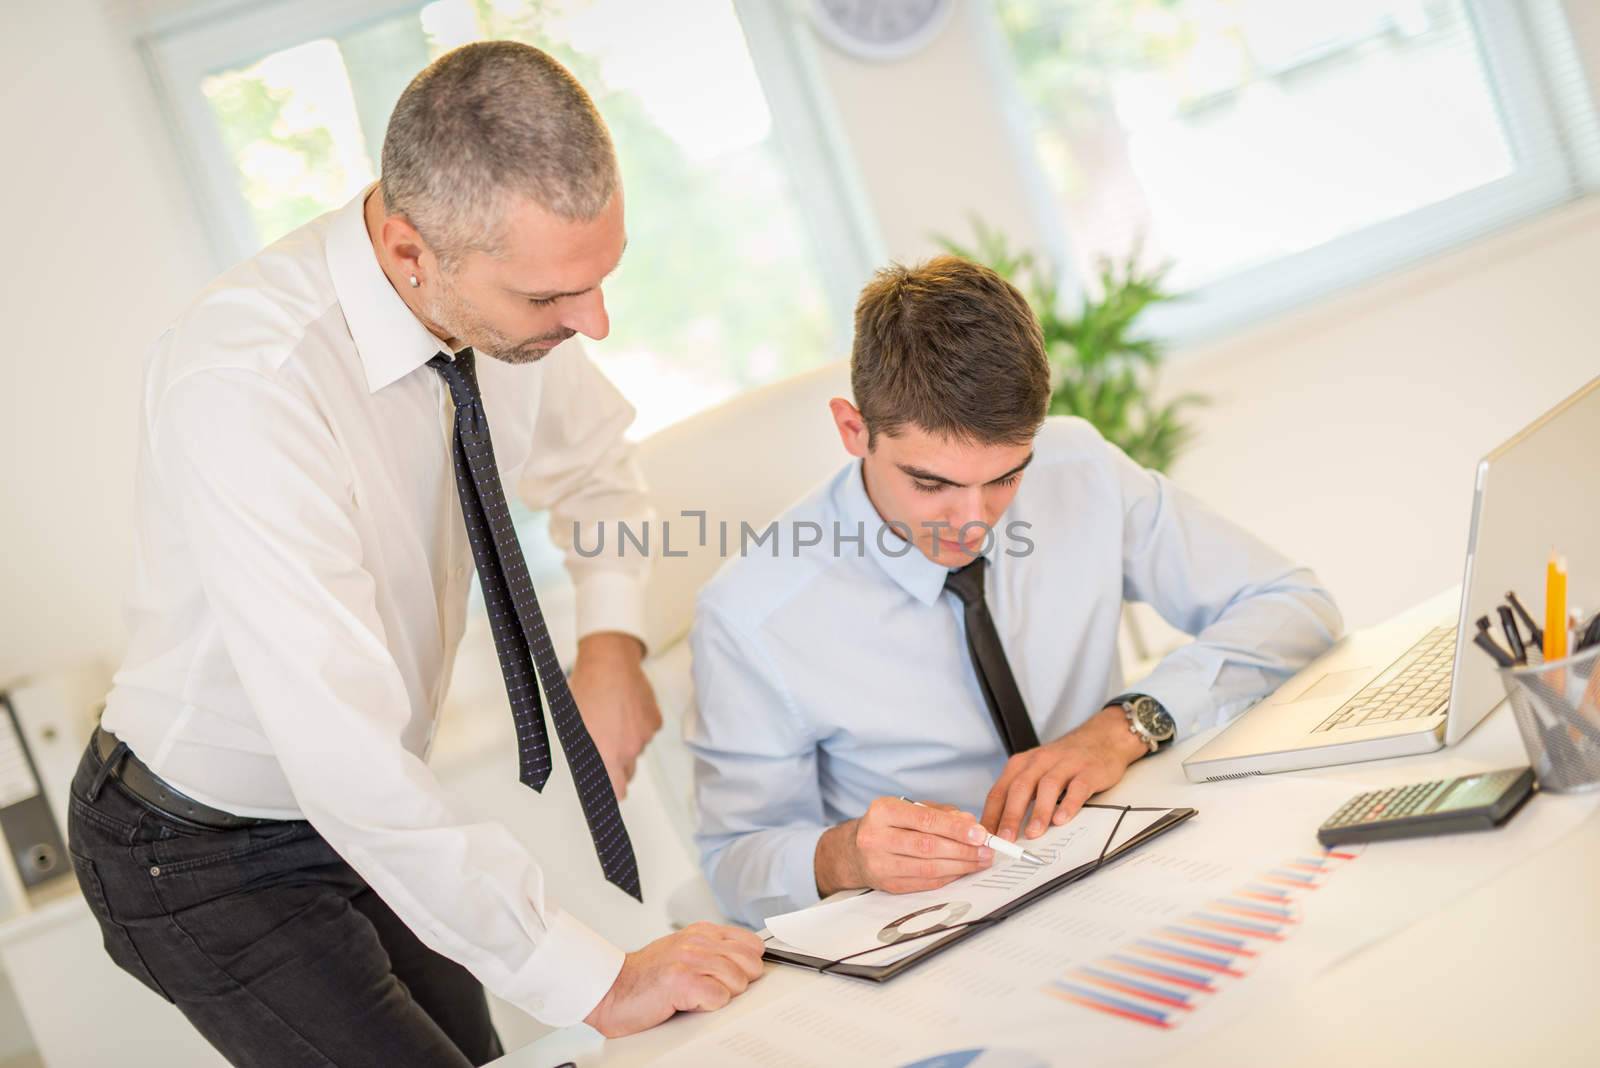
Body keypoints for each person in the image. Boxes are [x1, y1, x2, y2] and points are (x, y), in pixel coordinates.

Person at [66, 41, 761, 1066]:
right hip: (197, 848)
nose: (593, 321)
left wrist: (609, 638)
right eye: (551, 299)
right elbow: (340, 748)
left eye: (598, 281)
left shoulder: (505, 299)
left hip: (353, 805)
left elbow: (597, 466)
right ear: (408, 252)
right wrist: (601, 980)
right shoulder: (250, 384)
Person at [687, 255, 1343, 929]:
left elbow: (1293, 605)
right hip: (931, 932)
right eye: (933, 485)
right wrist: (845, 856)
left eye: (1005, 477)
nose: (973, 522)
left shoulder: (1079, 467)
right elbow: (734, 863)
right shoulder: (750, 615)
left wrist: (1124, 725)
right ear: (853, 430)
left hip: (1141, 867)